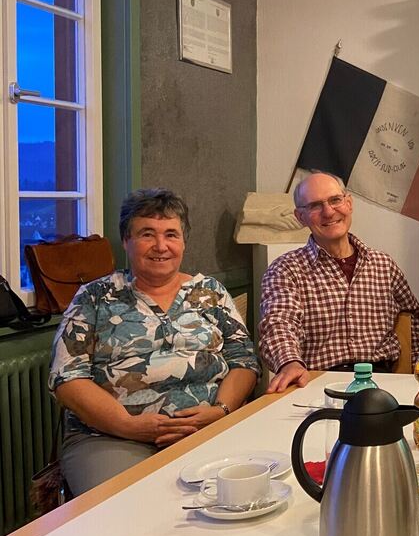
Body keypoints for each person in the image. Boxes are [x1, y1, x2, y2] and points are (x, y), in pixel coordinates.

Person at [49, 188, 260, 495]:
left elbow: (244, 360)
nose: (161, 246)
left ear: (183, 242)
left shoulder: (210, 292)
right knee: (124, 505)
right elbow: (67, 377)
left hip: (209, 427)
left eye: (171, 235)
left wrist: (221, 411)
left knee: (241, 492)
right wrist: (127, 425)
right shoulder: (95, 297)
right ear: (126, 240)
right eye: (147, 234)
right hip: (112, 437)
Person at [259, 171, 419, 392]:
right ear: (300, 217)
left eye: (335, 200)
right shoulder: (286, 269)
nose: (328, 212)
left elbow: (410, 315)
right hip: (317, 384)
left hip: (381, 382)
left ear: (349, 203)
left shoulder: (383, 264)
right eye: (315, 206)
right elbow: (278, 323)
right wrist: (289, 362)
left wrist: (412, 372)